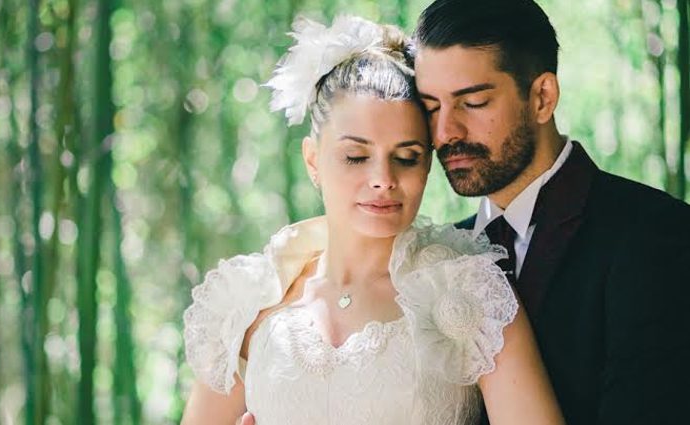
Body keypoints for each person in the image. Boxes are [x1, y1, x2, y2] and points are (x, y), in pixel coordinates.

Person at [180, 15, 565, 425]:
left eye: (406, 158)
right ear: (313, 160)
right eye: (356, 156)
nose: (383, 180)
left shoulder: (468, 294)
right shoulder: (249, 300)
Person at [411, 1, 690, 424]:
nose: (446, 132)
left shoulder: (659, 237)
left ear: (543, 97)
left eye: (474, 102)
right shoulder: (438, 258)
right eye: (431, 107)